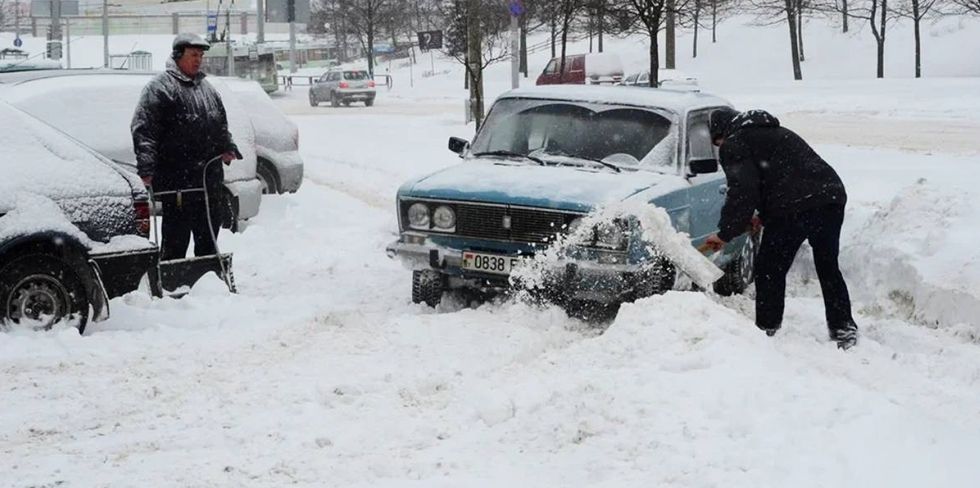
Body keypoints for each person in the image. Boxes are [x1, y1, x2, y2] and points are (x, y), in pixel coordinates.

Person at [703, 108, 859, 350]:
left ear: (721, 133)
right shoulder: (776, 133)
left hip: (794, 208)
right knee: (828, 266)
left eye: (717, 142)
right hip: (830, 197)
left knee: (769, 269)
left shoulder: (734, 143)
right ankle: (843, 328)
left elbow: (742, 192)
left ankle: (766, 328)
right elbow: (785, 179)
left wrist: (725, 233)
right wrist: (763, 217)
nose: (720, 146)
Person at [131, 33, 241, 260]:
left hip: (208, 183)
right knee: (175, 241)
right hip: (177, 184)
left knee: (208, 240)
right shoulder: (159, 89)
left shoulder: (208, 90)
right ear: (178, 55)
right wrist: (146, 169)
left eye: (200, 55)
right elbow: (144, 130)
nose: (198, 60)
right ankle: (173, 277)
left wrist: (227, 146)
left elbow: (220, 126)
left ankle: (208, 274)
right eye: (193, 55)